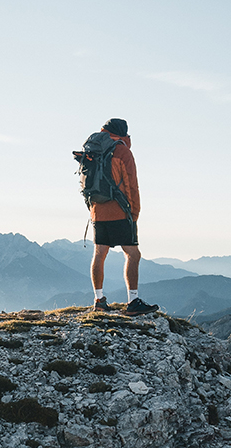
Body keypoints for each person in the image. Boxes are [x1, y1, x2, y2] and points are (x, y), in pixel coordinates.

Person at [90, 118, 159, 316]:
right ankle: (133, 301)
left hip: (97, 211)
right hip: (120, 211)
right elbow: (131, 185)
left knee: (99, 254)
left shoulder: (94, 149)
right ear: (123, 133)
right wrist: (134, 213)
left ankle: (98, 300)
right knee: (133, 254)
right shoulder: (121, 151)